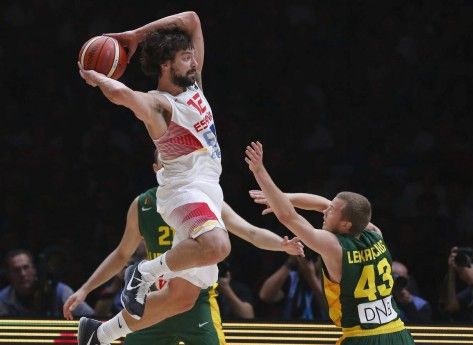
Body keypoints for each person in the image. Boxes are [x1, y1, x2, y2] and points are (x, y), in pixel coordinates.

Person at [77, 11, 233, 345]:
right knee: (218, 245)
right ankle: (143, 272)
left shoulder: (195, 87)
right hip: (183, 192)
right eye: (185, 58)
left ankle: (98, 334)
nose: (193, 63)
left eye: (192, 56)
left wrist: (133, 35)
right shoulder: (160, 106)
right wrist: (97, 78)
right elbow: (123, 95)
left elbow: (191, 19)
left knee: (182, 298)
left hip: (209, 192)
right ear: (166, 66)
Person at [66, 151, 303, 344]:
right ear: (156, 169)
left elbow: (250, 232)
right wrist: (85, 289)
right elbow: (121, 254)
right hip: (155, 303)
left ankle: (102, 331)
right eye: (165, 162)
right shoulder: (143, 204)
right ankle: (102, 331)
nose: (171, 166)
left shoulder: (203, 199)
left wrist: (281, 245)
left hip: (196, 300)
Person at [245, 141, 415, 345]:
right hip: (398, 333)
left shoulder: (333, 246)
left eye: (333, 211)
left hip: (362, 337)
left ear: (345, 224)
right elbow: (322, 203)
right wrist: (282, 197)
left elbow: (287, 217)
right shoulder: (374, 231)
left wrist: (259, 171)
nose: (325, 211)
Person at [0, 249, 94, 318]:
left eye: (26, 267)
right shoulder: (3, 300)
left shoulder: (60, 291)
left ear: (34, 269)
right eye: (16, 270)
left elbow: (92, 318)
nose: (23, 274)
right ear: (9, 274)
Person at [259, 254, 327, 320]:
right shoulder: (291, 278)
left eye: (314, 259)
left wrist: (310, 277)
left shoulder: (327, 280)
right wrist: (290, 262)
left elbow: (329, 305)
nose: (308, 261)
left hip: (320, 329)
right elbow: (265, 296)